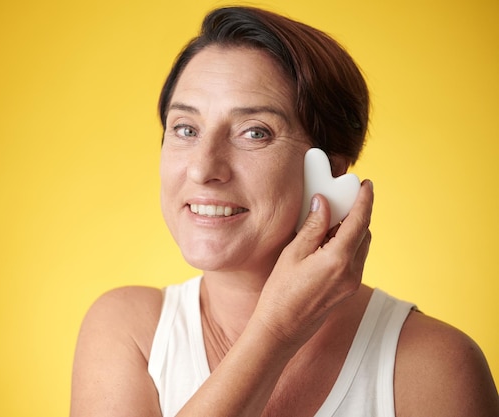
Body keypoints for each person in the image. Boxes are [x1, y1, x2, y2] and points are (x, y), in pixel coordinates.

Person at [70, 6, 498, 416]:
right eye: (185, 128)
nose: (202, 168)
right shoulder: (128, 331)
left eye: (254, 132)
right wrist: (275, 333)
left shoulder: (435, 366)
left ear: (330, 170)